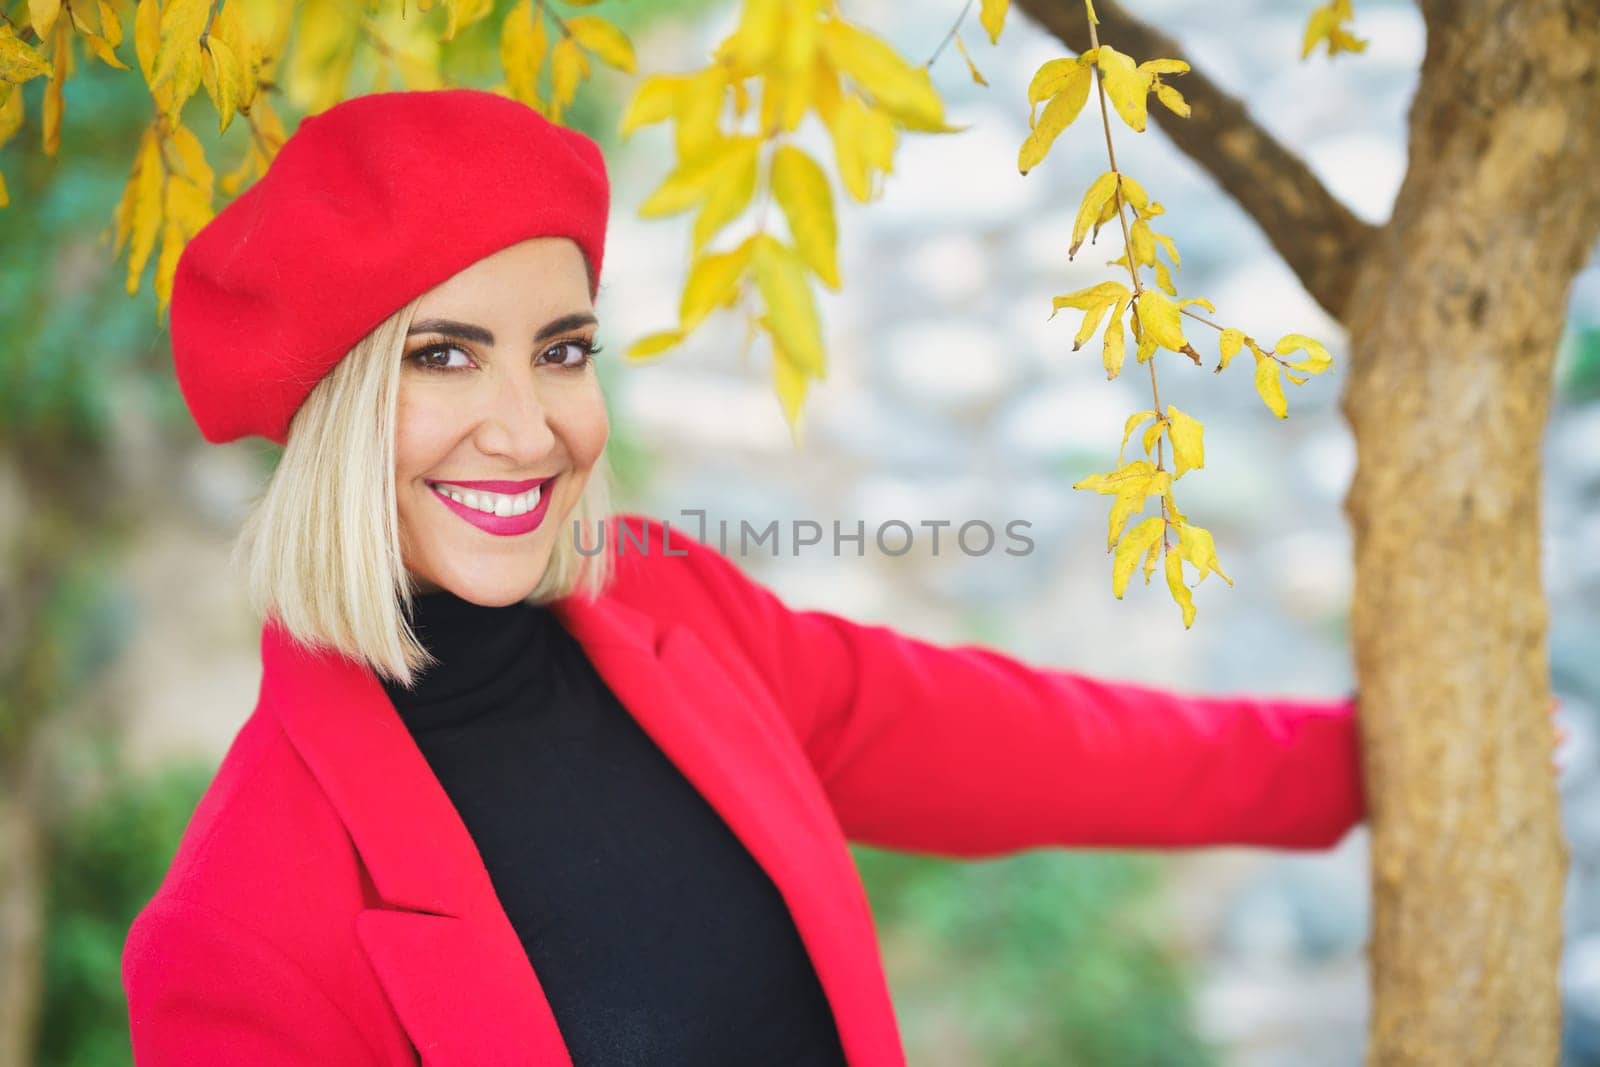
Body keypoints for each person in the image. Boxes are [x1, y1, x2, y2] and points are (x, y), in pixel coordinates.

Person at [120, 88, 1372, 1066]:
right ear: (330, 410)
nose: (526, 425)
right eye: (443, 356)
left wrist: (1351, 763)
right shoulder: (238, 928)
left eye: (562, 351)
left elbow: (997, 737)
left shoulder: (665, 606)